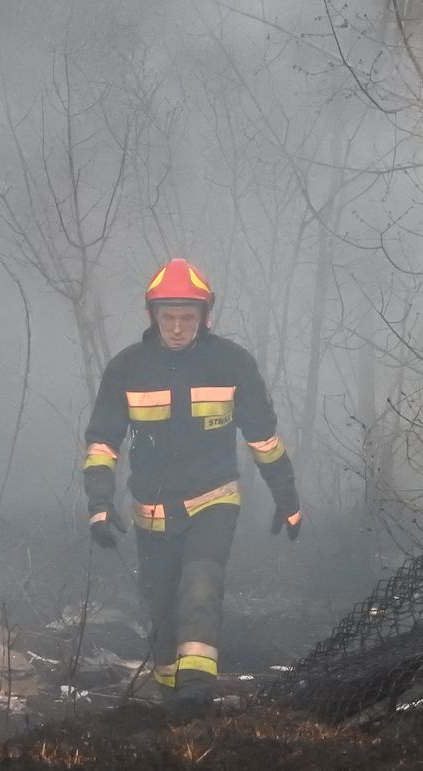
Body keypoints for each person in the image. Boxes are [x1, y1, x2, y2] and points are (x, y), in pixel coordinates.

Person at [82, 258, 302, 715]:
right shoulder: (127, 369)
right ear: (152, 316)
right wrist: (100, 503)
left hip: (214, 498)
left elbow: (263, 437)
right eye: (169, 318)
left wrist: (287, 496)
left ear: (206, 317)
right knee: (160, 608)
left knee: (201, 586)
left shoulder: (232, 364)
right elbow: (103, 443)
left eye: (188, 318)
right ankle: (172, 700)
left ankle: (198, 692)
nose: (178, 328)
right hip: (152, 509)